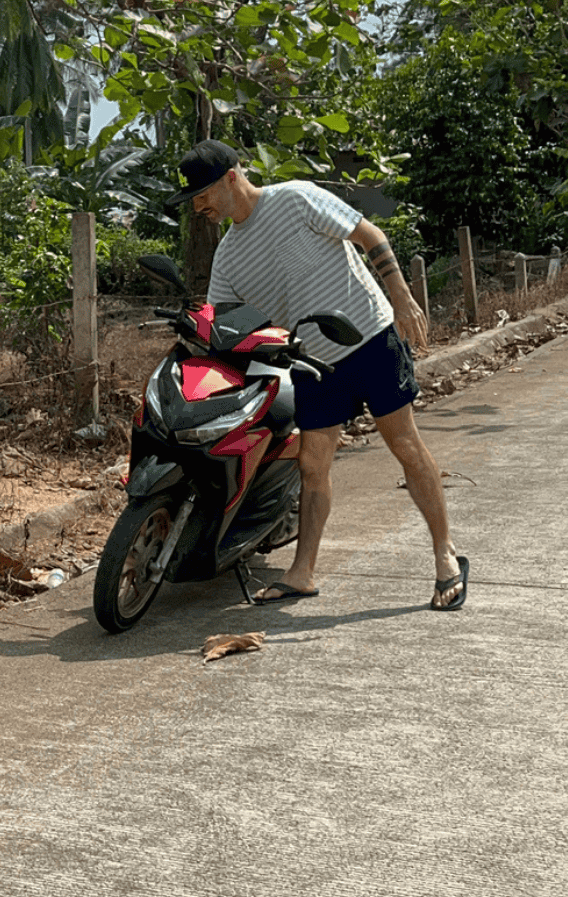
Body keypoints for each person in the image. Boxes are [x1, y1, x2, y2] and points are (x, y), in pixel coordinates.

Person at [166, 139, 468, 610]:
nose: (198, 206)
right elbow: (225, 320)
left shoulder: (296, 197)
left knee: (405, 445)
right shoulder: (227, 256)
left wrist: (403, 298)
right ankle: (302, 571)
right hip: (312, 363)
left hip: (370, 339)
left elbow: (369, 235)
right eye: (192, 200)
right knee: (313, 466)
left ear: (231, 177)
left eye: (201, 194)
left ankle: (445, 554)